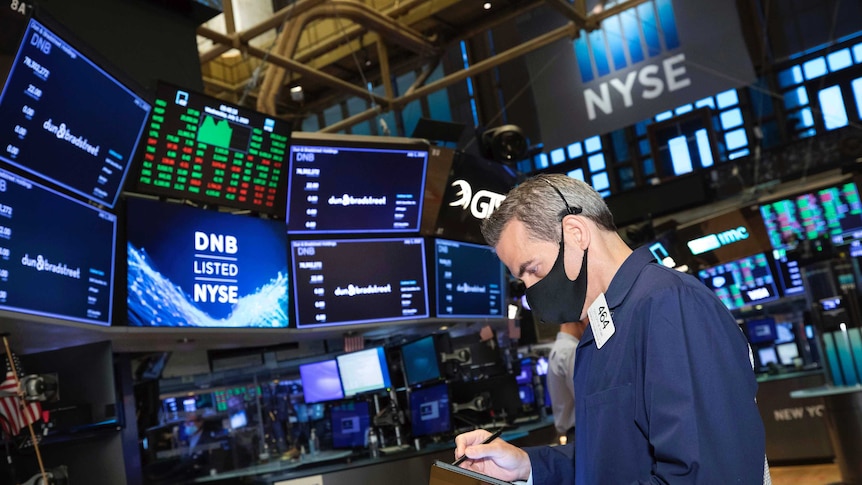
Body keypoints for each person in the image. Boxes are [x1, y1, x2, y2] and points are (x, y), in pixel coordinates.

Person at [454, 173, 769, 483]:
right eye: (522, 282)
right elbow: (609, 460)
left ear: (576, 233)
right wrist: (525, 465)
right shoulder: (603, 329)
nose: (531, 292)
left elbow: (706, 474)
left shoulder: (668, 304)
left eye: (533, 270)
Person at [546, 319, 586, 444]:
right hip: (581, 433)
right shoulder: (570, 350)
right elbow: (586, 397)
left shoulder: (559, 348)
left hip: (573, 434)